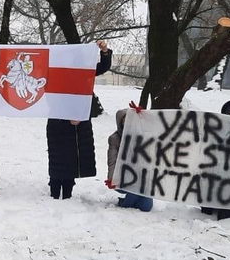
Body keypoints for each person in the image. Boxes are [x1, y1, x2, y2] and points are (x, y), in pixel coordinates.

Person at [46, 40, 112, 199]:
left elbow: (103, 67)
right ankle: (54, 191)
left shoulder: (83, 70)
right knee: (56, 157)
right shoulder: (52, 72)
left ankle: (67, 191)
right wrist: (66, 114)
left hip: (77, 124)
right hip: (57, 122)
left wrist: (104, 52)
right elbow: (49, 98)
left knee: (71, 158)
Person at [106, 108, 153, 211]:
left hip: (142, 178)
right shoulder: (114, 139)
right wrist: (111, 178)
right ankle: (125, 204)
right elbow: (112, 160)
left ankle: (127, 201)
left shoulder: (143, 137)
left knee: (146, 207)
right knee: (134, 189)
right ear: (120, 123)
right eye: (125, 121)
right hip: (124, 177)